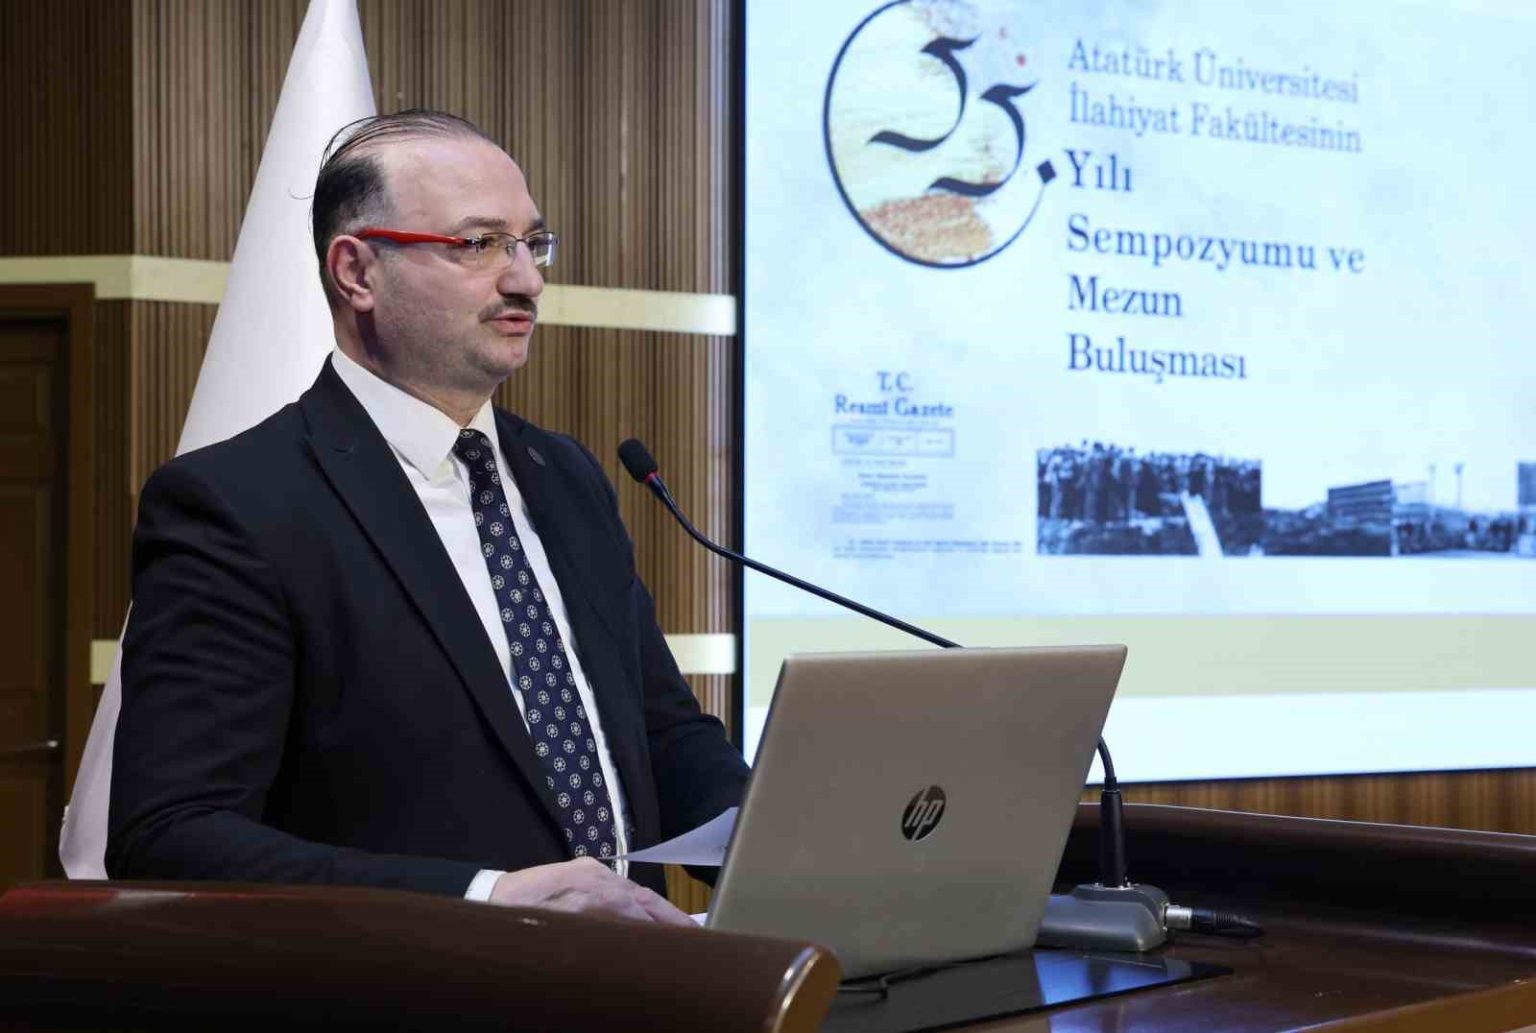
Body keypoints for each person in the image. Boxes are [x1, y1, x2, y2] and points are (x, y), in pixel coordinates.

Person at [106, 111, 749, 925]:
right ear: (357, 272)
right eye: (479, 244)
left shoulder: (567, 477)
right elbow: (172, 834)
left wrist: (803, 852)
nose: (526, 281)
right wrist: (487, 897)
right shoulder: (239, 505)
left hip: (639, 974)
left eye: (533, 243)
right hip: (418, 979)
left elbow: (665, 739)